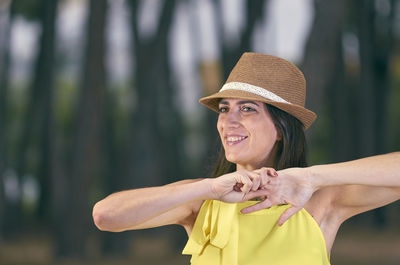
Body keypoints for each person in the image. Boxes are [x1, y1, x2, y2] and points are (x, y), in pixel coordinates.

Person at [92, 52, 400, 265]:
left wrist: (311, 177)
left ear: (281, 128)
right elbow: (106, 216)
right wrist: (208, 188)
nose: (228, 120)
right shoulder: (201, 201)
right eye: (225, 108)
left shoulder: (320, 203)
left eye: (248, 108)